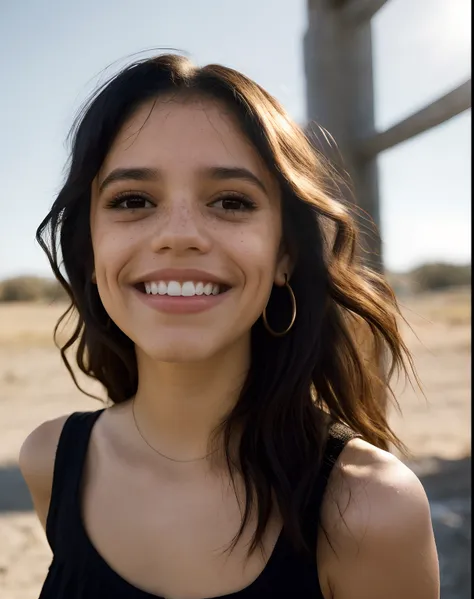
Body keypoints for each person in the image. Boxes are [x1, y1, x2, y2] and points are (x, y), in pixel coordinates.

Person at [19, 53, 440, 599]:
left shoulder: (370, 509)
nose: (179, 234)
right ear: (91, 248)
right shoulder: (50, 461)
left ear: (286, 252)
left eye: (231, 202)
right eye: (133, 200)